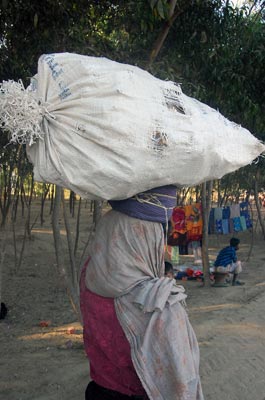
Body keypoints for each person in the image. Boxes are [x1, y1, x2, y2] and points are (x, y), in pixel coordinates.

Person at [80, 186, 204, 400]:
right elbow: (182, 384)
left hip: (98, 392)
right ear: (149, 242)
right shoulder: (160, 305)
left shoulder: (88, 277)